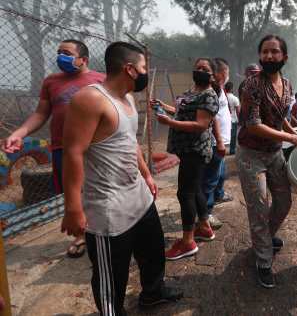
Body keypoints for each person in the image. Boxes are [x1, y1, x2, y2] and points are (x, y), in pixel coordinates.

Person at [61, 42, 182, 315]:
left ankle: (152, 293)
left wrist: (147, 174)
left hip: (138, 198)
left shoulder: (127, 99)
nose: (145, 73)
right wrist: (73, 207)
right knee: (111, 280)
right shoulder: (90, 99)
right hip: (109, 210)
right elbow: (73, 152)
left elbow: (130, 143)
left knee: (153, 253)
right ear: (129, 69)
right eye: (143, 68)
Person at [2, 39, 104, 259]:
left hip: (95, 147)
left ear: (83, 59)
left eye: (66, 53)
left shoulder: (100, 80)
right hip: (63, 147)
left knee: (99, 189)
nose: (60, 57)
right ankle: (81, 235)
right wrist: (19, 133)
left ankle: (103, 230)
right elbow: (40, 114)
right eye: (58, 52)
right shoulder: (51, 82)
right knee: (72, 193)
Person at [236, 34, 297, 288]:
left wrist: (293, 132)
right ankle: (263, 260)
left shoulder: (288, 85)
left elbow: (280, 116)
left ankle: (264, 238)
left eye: (274, 52)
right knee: (258, 206)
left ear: (284, 57)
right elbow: (253, 125)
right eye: (265, 52)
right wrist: (290, 137)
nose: (269, 56)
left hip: (275, 153)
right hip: (251, 154)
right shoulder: (251, 85)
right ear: (260, 56)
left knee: (284, 201)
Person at [155, 58, 220, 260]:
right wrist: (164, 107)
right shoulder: (192, 92)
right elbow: (182, 112)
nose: (199, 70)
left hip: (195, 150)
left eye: (205, 69)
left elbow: (201, 124)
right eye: (197, 67)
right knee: (195, 189)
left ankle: (188, 241)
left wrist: (169, 123)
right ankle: (204, 228)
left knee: (185, 194)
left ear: (213, 75)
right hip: (186, 149)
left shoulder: (209, 95)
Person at [201, 57, 233, 230]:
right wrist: (219, 141)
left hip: (222, 141)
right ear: (220, 73)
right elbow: (212, 117)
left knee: (220, 175)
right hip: (215, 142)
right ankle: (205, 214)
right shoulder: (212, 89)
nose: (228, 75)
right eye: (226, 72)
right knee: (210, 179)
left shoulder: (219, 89)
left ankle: (218, 195)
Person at [225, 81, 240, 155]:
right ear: (231, 89)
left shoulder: (223, 97)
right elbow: (238, 111)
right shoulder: (235, 98)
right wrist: (240, 119)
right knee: (233, 136)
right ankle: (232, 150)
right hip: (233, 119)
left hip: (225, 120)